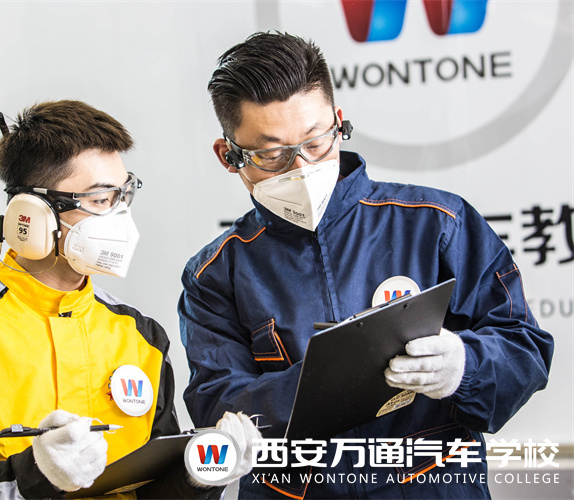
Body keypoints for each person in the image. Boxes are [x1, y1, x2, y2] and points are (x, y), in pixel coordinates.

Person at [178, 32, 554, 499]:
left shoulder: (437, 223)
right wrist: (331, 381)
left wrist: (465, 365)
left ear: (339, 122)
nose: (302, 168)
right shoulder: (215, 275)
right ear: (229, 156)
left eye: (317, 141)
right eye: (272, 154)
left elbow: (524, 347)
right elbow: (218, 403)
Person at [0, 100, 257, 499]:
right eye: (101, 200)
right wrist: (36, 474)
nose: (120, 217)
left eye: (124, 195)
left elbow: (152, 487)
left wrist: (198, 475)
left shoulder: (140, 335)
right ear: (33, 214)